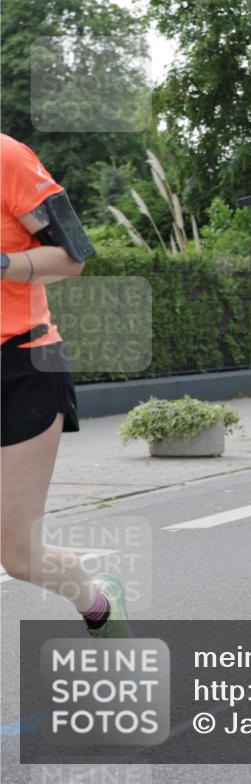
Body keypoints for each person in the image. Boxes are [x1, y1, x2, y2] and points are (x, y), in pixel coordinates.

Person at [0, 132, 129, 636]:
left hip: (25, 365)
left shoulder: (10, 159)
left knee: (20, 556)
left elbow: (73, 256)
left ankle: (98, 604)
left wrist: (4, 264)